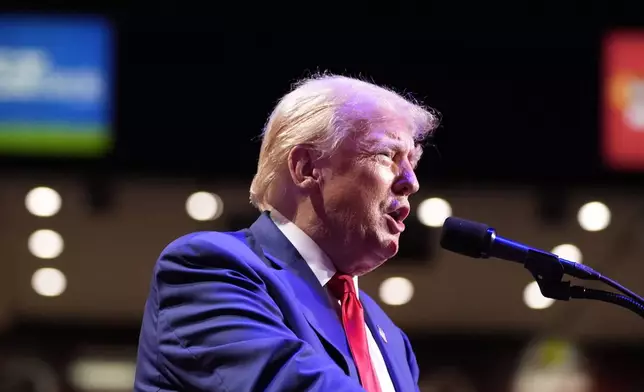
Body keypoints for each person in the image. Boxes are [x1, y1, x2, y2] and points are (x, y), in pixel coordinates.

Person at [134, 73, 440, 391]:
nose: (411, 181)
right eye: (387, 155)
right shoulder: (210, 270)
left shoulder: (391, 340)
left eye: (412, 162)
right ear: (306, 168)